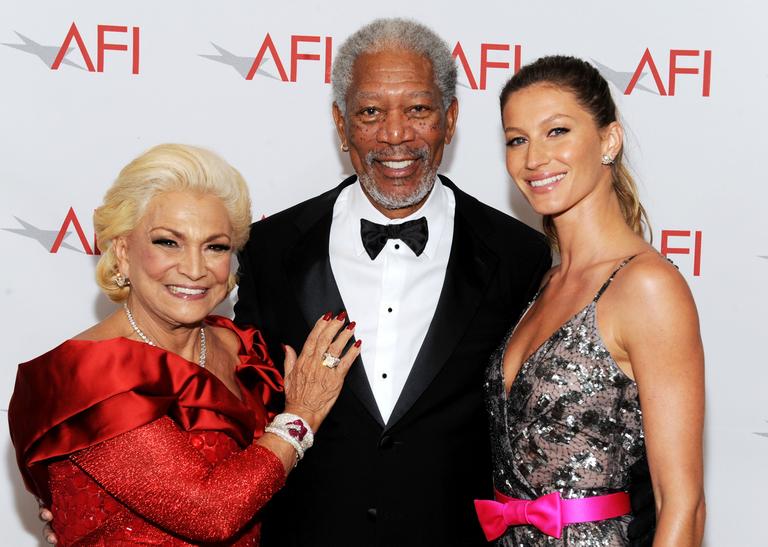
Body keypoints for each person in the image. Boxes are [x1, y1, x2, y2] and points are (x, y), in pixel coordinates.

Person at [234, 19, 553, 546]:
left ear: (450, 119)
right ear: (341, 124)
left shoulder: (521, 257)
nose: (395, 134)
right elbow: (229, 403)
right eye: (370, 112)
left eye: (418, 110)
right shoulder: (271, 250)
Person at [9, 143, 361, 546]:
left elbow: (275, 486)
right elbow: (209, 513)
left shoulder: (245, 350)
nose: (194, 269)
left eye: (215, 246)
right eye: (168, 242)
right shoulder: (83, 373)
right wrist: (302, 416)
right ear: (123, 252)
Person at [474, 56, 705, 546]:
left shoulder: (645, 286)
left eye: (556, 131)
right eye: (517, 139)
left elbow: (680, 502)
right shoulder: (542, 285)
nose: (534, 158)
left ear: (608, 141)